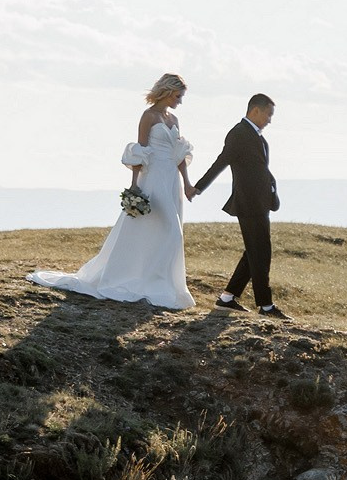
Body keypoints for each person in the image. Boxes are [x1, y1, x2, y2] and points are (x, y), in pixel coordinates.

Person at [29, 74, 197, 309]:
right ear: (168, 92)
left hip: (172, 182)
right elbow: (140, 152)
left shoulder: (174, 119)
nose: (180, 101)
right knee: (171, 232)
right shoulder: (148, 116)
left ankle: (159, 282)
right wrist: (135, 185)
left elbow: (179, 155)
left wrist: (187, 184)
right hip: (153, 179)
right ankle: (146, 281)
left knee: (167, 231)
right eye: (178, 96)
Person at [193, 93, 285, 317]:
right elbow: (221, 162)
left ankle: (227, 298)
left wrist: (272, 189)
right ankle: (266, 306)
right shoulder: (239, 133)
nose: (270, 120)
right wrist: (198, 187)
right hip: (248, 203)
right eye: (268, 114)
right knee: (261, 252)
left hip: (260, 202)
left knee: (254, 251)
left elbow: (260, 168)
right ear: (255, 110)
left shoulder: (258, 137)